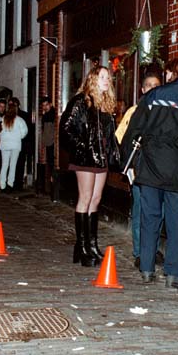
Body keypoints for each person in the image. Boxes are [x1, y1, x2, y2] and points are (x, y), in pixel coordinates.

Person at [122, 58, 178, 287]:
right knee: (177, 222)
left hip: (150, 168)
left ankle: (147, 269)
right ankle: (173, 274)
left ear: (170, 73)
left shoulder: (153, 97)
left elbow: (134, 130)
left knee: (150, 219)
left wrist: (129, 161)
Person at [60, 65, 119, 267]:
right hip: (85, 159)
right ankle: (83, 246)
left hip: (101, 159)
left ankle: (91, 245)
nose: (106, 80)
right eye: (102, 77)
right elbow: (66, 129)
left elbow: (109, 134)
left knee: (96, 198)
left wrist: (114, 152)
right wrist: (84, 146)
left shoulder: (106, 104)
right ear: (93, 79)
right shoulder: (80, 101)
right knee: (84, 198)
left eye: (108, 77)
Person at [115, 70, 162, 268]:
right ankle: (139, 251)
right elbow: (121, 138)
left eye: (156, 85)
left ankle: (153, 249)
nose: (152, 88)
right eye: (149, 85)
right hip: (140, 168)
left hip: (159, 170)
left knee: (157, 212)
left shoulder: (163, 111)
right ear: (143, 90)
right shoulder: (134, 111)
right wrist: (130, 166)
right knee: (140, 210)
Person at [0, 99, 28, 192]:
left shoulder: (3, 119)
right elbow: (24, 132)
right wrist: (18, 137)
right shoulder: (19, 120)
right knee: (13, 165)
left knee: (4, 165)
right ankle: (10, 184)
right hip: (15, 145)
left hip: (4, 145)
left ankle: (2, 185)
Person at [11, 97, 33, 191]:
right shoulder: (9, 116)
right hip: (17, 144)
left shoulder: (23, 116)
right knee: (16, 164)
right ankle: (15, 183)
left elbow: (28, 131)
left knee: (17, 164)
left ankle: (16, 184)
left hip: (21, 144)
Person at [40, 97, 56, 194]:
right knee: (49, 164)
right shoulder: (46, 115)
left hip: (51, 143)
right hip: (48, 143)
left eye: (46, 105)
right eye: (43, 105)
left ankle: (52, 186)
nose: (45, 107)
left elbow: (49, 131)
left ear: (50, 104)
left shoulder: (52, 115)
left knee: (52, 164)